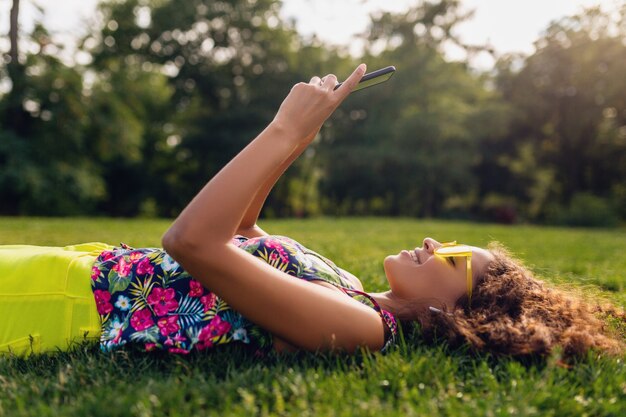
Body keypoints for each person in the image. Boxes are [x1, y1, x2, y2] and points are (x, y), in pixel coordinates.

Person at [1, 64, 623, 361]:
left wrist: (278, 130)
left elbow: (194, 242)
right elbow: (243, 234)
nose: (434, 242)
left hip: (57, 309)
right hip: (73, 272)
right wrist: (300, 137)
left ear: (450, 312)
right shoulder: (350, 290)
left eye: (454, 258)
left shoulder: (364, 329)